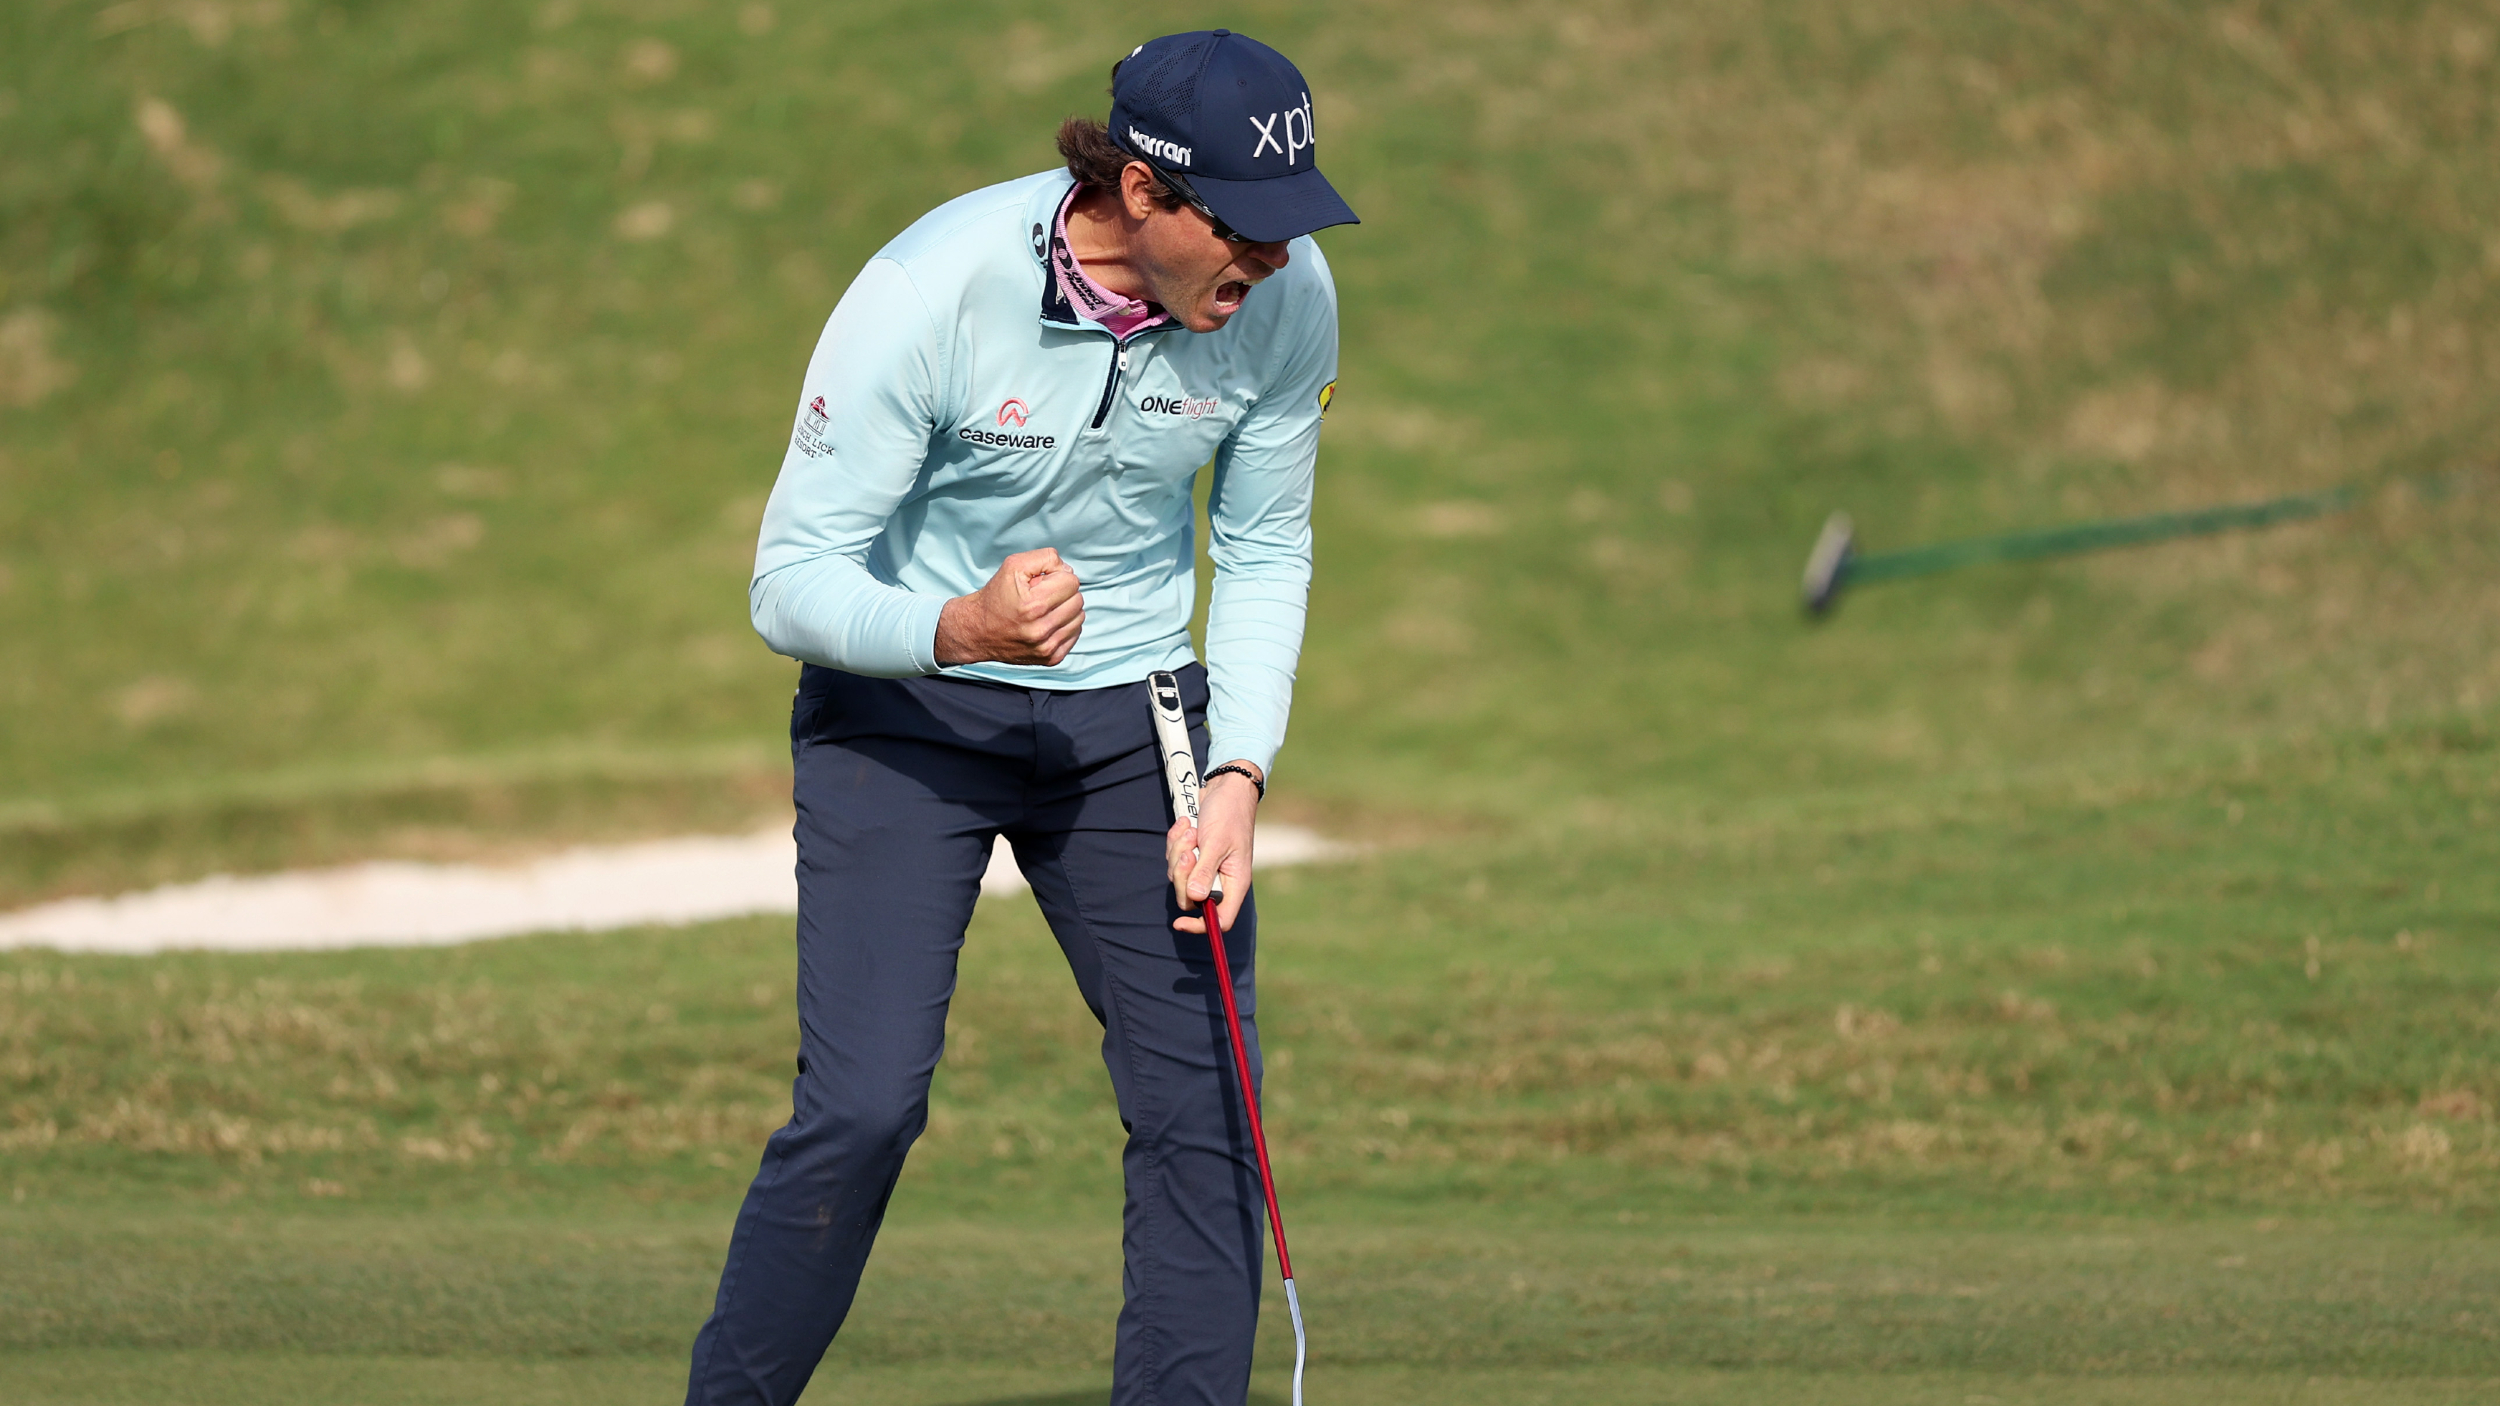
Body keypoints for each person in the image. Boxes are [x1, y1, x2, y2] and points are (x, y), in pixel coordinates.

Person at [683, 29, 1357, 1406]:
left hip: (1138, 729)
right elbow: (788, 582)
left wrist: (1238, 771)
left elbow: (1268, 548)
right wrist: (955, 628)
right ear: (1141, 195)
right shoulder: (932, 289)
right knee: (865, 1106)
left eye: (1290, 227)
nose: (1273, 262)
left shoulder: (1288, 301)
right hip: (906, 717)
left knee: (1206, 1109)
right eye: (1243, 227)